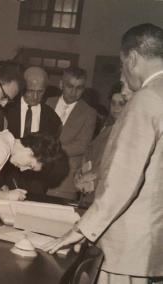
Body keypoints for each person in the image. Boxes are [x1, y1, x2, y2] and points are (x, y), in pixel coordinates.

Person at [44, 23, 163, 283]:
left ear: (132, 59)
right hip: (154, 246)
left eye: (122, 65)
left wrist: (82, 230)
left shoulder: (145, 99)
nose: (122, 74)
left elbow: (124, 178)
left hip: (129, 248)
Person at [0, 66, 62, 196]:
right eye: (30, 91)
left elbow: (48, 157)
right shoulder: (5, 109)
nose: (35, 96)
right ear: (22, 87)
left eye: (40, 92)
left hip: (36, 184)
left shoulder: (52, 118)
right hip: (4, 178)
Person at [46, 67, 97, 200]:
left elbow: (81, 145)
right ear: (61, 84)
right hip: (37, 176)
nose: (74, 92)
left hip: (66, 180)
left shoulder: (89, 113)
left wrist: (48, 150)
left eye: (79, 88)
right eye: (70, 86)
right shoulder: (47, 103)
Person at [74, 89, 129, 207]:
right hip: (90, 189)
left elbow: (117, 163)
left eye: (121, 104)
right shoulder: (107, 126)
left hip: (107, 192)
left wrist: (93, 175)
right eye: (113, 103)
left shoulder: (128, 131)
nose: (116, 107)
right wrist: (80, 173)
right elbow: (92, 153)